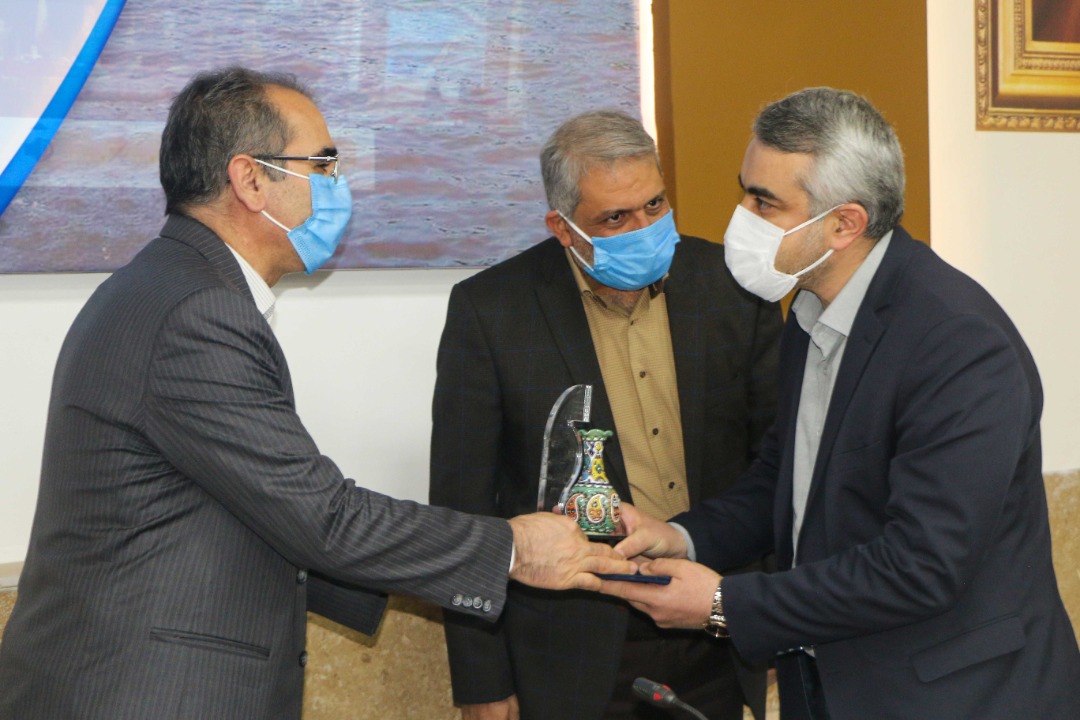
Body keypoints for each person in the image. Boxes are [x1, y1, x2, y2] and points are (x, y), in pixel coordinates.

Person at [0, 66, 633, 720]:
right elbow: (321, 517)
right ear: (250, 180)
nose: (338, 184)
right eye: (324, 165)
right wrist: (513, 549)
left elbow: (258, 510)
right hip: (145, 693)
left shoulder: (170, 286)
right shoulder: (198, 314)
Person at [598, 87, 1080, 719]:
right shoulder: (811, 308)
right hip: (834, 681)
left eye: (764, 202)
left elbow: (922, 565)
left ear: (845, 223)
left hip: (955, 696)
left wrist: (723, 604)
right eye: (746, 192)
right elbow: (787, 477)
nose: (740, 216)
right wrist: (682, 536)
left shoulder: (959, 344)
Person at [429, 109, 782, 720]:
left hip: (714, 624)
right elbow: (464, 504)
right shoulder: (490, 311)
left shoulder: (732, 286)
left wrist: (770, 617)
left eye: (654, 205)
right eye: (614, 219)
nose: (643, 228)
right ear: (562, 227)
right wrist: (481, 678)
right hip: (572, 651)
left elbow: (775, 464)